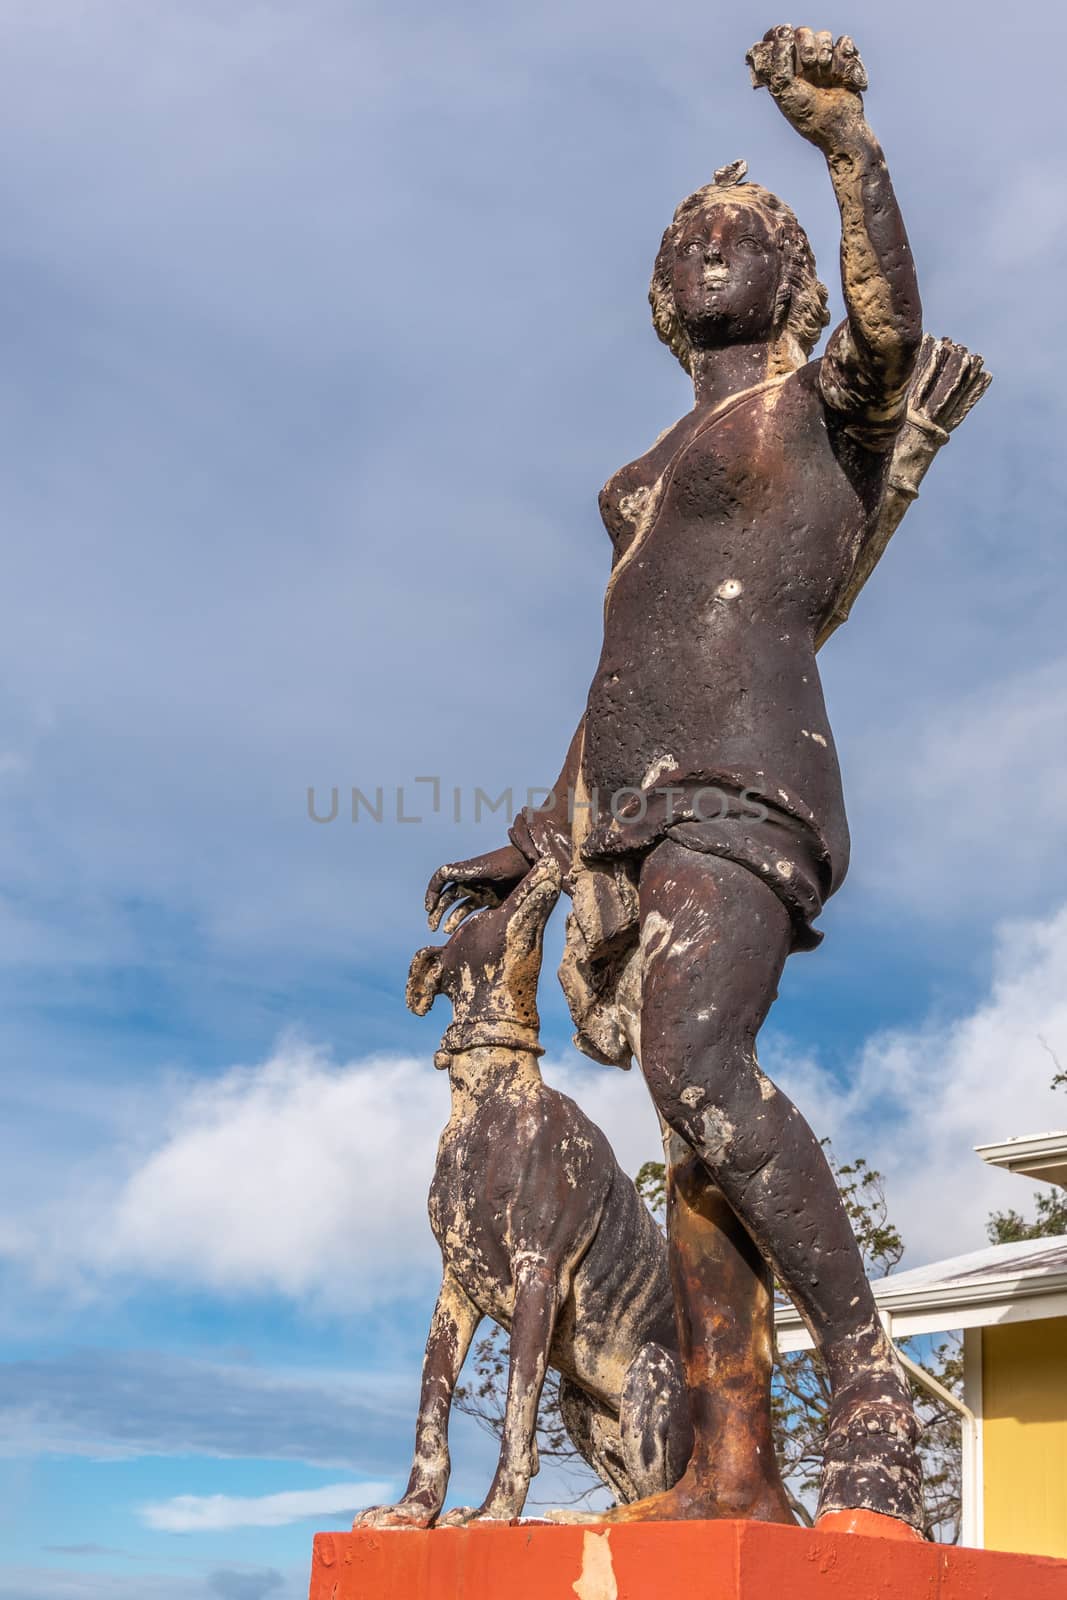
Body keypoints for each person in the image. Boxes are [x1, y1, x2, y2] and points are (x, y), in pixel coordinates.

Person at [426, 26, 926, 1535]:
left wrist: (845, 151)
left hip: (750, 775)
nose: (715, 245)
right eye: (690, 236)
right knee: (685, 1134)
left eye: (744, 233)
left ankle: (866, 1384)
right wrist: (533, 852)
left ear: (794, 279)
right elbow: (614, 675)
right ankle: (732, 1465)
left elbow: (897, 339)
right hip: (630, 810)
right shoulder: (644, 479)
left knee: (698, 1068)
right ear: (661, 291)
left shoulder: (817, 408)